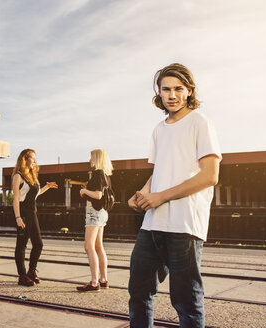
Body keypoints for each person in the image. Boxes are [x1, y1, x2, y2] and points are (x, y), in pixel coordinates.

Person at [127, 63, 221, 328]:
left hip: (185, 225)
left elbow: (209, 176)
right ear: (159, 92)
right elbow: (160, 171)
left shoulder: (201, 123)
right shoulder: (159, 129)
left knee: (186, 301)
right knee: (138, 293)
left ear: (189, 91)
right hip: (153, 224)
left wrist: (161, 197)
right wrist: (143, 195)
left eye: (178, 89)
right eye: (166, 89)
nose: (172, 95)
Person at [12, 149, 58, 286]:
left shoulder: (32, 176)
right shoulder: (18, 176)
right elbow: (16, 198)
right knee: (21, 245)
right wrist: (18, 217)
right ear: (25, 159)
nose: (35, 161)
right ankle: (22, 275)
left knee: (38, 244)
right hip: (23, 213)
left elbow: (34, 195)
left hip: (32, 213)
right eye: (33, 158)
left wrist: (47, 187)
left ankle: (31, 272)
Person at [76, 149, 113, 292]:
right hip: (102, 212)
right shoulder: (105, 174)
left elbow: (98, 195)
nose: (89, 160)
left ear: (97, 158)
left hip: (94, 213)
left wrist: (84, 191)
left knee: (88, 247)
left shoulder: (98, 173)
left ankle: (94, 282)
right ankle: (103, 280)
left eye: (91, 157)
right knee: (99, 247)